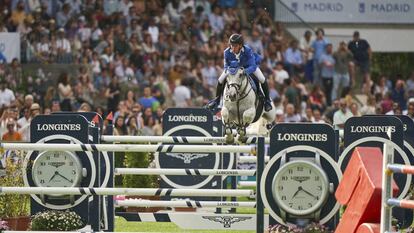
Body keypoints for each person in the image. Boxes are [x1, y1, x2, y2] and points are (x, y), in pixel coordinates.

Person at [207, 33, 272, 112]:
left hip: (248, 68)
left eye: (235, 46)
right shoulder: (227, 52)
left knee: (262, 78)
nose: (233, 48)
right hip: (234, 69)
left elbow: (253, 66)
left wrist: (245, 71)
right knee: (220, 79)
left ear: (240, 45)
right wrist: (231, 70)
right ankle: (216, 100)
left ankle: (267, 101)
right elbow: (226, 66)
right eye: (231, 45)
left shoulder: (247, 50)